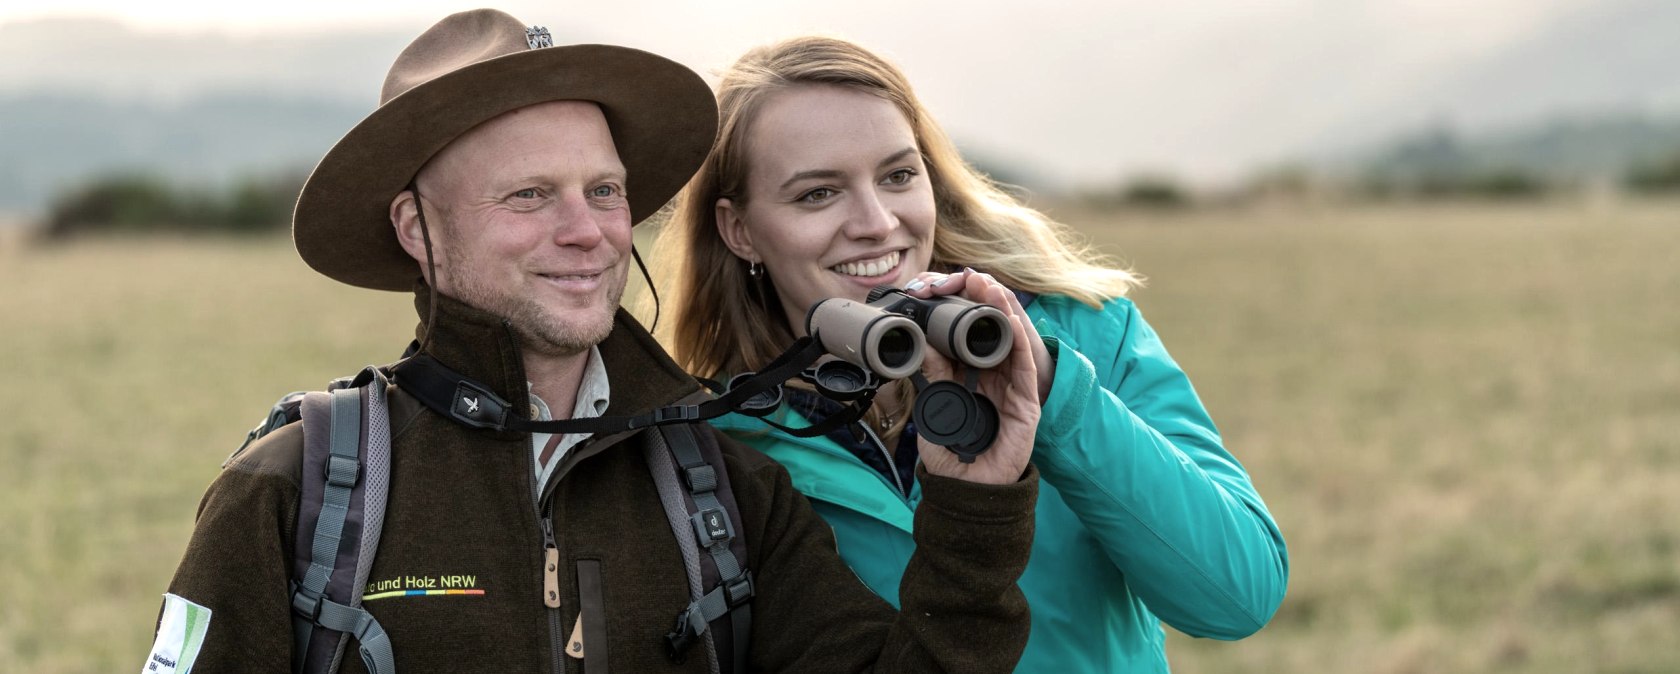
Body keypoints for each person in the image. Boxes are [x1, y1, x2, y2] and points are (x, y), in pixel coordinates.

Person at [148, 11, 1045, 673]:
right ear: (417, 230)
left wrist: (974, 508)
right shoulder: (299, 491)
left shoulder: (727, 491)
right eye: (529, 196)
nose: (589, 234)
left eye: (605, 192)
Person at [656, 36, 1289, 673]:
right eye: (818, 193)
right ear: (739, 231)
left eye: (899, 175)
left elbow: (1237, 598)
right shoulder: (723, 446)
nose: (877, 222)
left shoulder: (1086, 336)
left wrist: (1053, 394)